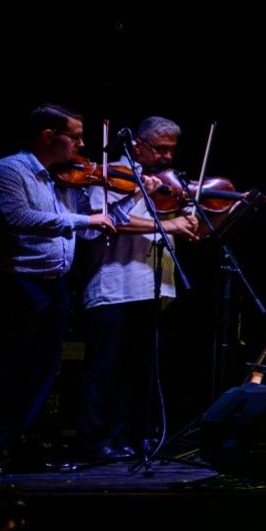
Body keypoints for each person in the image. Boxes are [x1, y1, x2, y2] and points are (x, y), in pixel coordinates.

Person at [0, 104, 115, 474]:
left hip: (54, 284)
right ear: (49, 136)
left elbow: (82, 228)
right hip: (17, 281)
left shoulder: (57, 178)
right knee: (9, 367)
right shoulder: (7, 170)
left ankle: (22, 446)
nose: (82, 144)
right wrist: (84, 218)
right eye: (75, 136)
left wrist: (109, 201)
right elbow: (19, 218)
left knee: (44, 371)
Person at [74, 115, 206, 464]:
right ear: (138, 145)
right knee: (105, 368)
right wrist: (168, 223)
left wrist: (203, 214)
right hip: (114, 285)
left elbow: (189, 228)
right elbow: (105, 220)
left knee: (137, 370)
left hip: (153, 285)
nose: (167, 156)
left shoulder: (170, 183)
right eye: (160, 149)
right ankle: (94, 440)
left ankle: (125, 437)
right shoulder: (109, 173)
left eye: (172, 150)